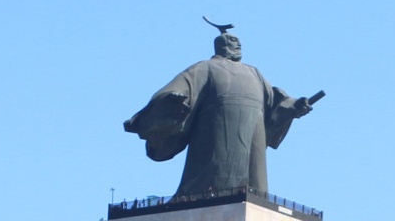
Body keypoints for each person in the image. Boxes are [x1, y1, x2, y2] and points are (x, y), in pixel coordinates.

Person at [122, 23, 320, 199]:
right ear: (222, 46)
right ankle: (200, 196)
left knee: (254, 178)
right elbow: (179, 88)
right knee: (211, 170)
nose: (239, 46)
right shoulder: (205, 68)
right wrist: (174, 99)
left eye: (239, 43)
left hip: (253, 128)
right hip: (216, 127)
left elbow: (276, 100)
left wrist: (295, 106)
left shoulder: (254, 72)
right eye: (234, 42)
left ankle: (253, 198)